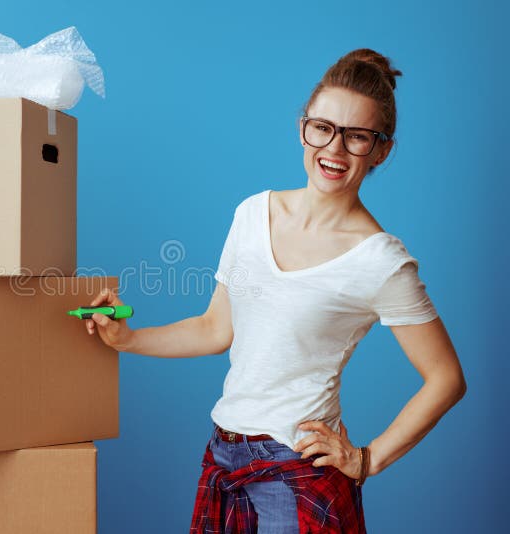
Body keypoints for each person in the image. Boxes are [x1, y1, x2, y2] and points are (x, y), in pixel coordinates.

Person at [83, 49, 466, 533]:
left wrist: (368, 460)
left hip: (295, 471)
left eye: (357, 137)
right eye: (323, 127)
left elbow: (446, 378)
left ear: (381, 150)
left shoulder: (380, 260)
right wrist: (128, 339)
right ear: (303, 127)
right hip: (223, 455)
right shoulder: (252, 213)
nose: (335, 149)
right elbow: (215, 327)